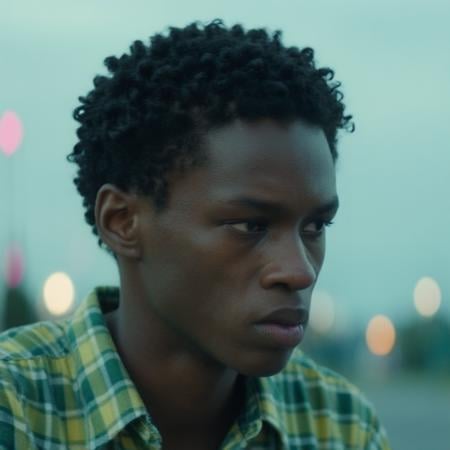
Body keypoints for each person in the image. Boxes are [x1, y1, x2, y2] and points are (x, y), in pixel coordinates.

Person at [0, 19, 391, 450]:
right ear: (122, 222)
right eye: (250, 225)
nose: (299, 272)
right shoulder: (15, 406)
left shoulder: (341, 424)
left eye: (315, 226)